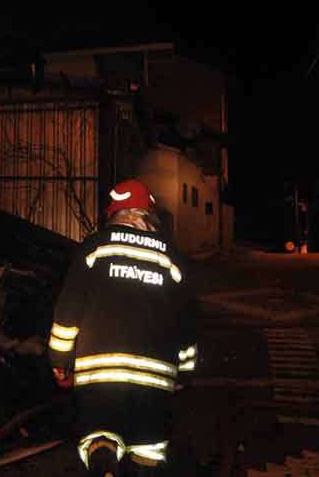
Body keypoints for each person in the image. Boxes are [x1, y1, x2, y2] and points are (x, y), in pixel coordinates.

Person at [48, 179, 197, 476]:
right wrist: (185, 371)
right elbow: (187, 322)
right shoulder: (172, 258)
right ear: (148, 215)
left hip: (100, 376)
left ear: (115, 215)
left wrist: (59, 360)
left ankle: (104, 459)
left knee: (100, 436)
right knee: (149, 448)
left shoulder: (94, 249)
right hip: (155, 381)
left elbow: (68, 311)